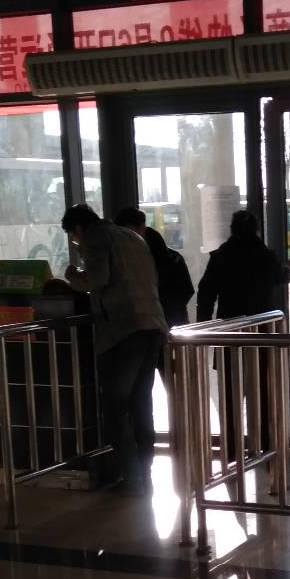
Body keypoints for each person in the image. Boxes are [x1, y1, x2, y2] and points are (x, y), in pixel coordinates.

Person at [62, 203, 166, 495]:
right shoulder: (132, 236)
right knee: (141, 403)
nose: (77, 243)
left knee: (115, 407)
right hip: (152, 326)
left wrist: (71, 274)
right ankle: (144, 473)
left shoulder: (96, 237)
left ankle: (131, 478)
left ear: (78, 229)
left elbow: (96, 279)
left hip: (123, 332)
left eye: (74, 238)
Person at [197, 209, 289, 458]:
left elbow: (206, 292)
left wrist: (204, 326)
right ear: (256, 229)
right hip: (261, 332)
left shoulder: (221, 256)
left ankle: (231, 448)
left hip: (229, 332)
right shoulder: (266, 256)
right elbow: (280, 278)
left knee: (229, 392)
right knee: (262, 389)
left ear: (232, 229)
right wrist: (286, 270)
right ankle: (264, 445)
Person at [113, 206, 195, 329]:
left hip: (145, 324)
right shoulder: (174, 256)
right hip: (175, 319)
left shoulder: (131, 259)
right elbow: (187, 289)